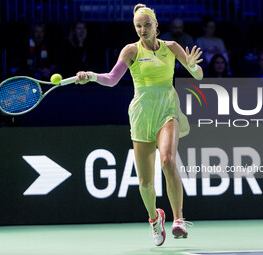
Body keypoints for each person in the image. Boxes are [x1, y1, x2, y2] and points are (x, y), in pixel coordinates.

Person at [75, 3, 203, 246]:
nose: (143, 29)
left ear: (157, 25)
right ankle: (155, 218)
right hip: (142, 113)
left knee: (167, 160)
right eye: (138, 26)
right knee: (145, 182)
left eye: (147, 24)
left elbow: (198, 75)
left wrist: (194, 66)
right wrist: (91, 76)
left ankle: (178, 220)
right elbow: (112, 79)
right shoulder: (131, 51)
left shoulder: (172, 47)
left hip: (168, 108)